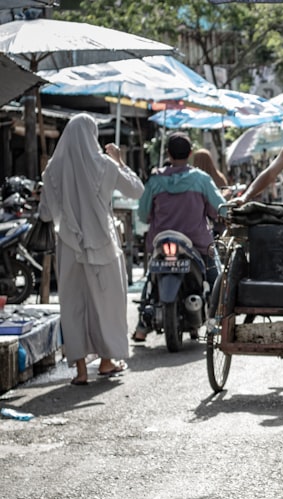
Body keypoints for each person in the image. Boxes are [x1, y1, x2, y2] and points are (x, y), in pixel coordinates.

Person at [38, 113, 143, 386]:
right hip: (103, 247)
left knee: (73, 306)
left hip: (69, 248)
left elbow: (46, 214)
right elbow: (136, 190)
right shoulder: (106, 165)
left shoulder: (51, 170)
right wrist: (119, 160)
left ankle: (81, 371)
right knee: (106, 306)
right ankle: (107, 361)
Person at [132, 133, 226, 342]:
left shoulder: (155, 180)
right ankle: (216, 321)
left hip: (161, 242)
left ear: (168, 153)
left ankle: (141, 327)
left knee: (151, 278)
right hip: (198, 244)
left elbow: (142, 214)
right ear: (190, 154)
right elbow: (218, 209)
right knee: (217, 278)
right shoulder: (201, 179)